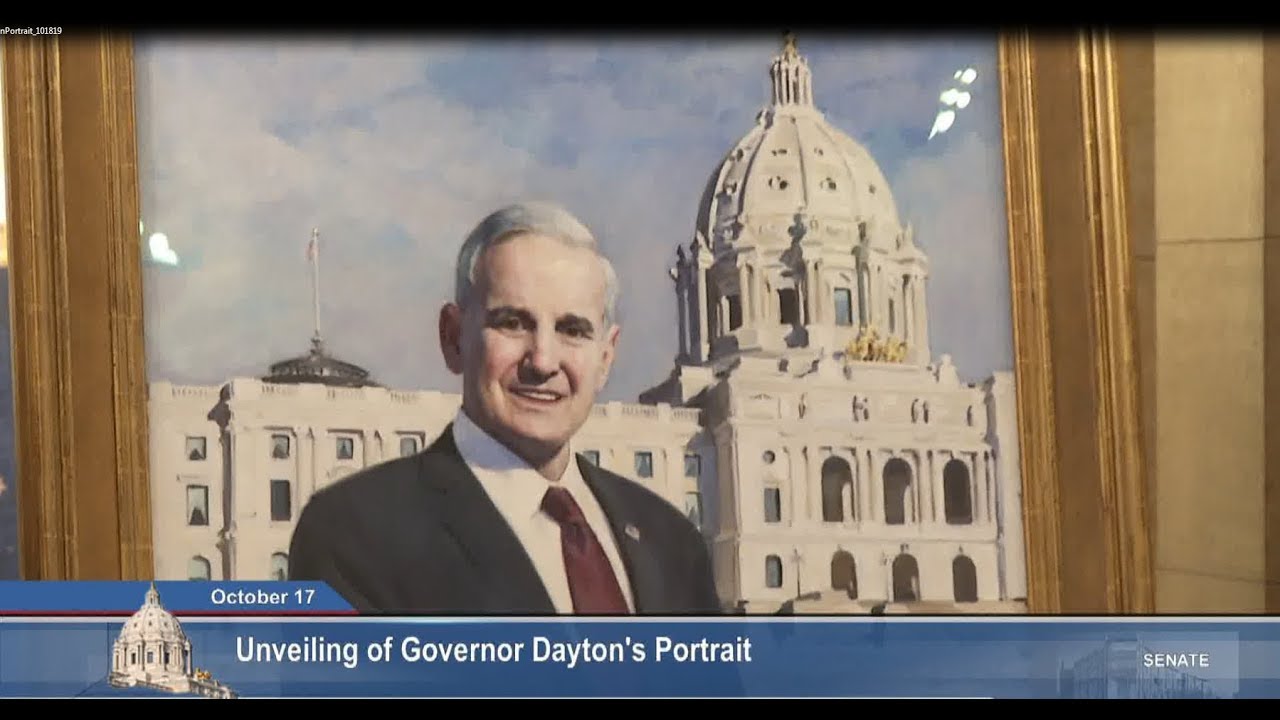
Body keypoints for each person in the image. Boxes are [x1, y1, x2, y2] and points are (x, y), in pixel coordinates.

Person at [288, 201, 721, 615]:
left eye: (573, 330)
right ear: (453, 338)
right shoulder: (354, 534)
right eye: (512, 323)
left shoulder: (672, 542)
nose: (543, 361)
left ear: (605, 358)